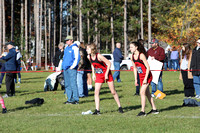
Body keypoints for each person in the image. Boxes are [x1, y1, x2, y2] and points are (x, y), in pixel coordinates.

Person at [86, 43, 123, 115]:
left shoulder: (99, 56)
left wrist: (106, 74)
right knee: (96, 92)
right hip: (99, 75)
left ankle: (120, 107)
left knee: (113, 92)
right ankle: (97, 110)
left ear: (92, 49)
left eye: (88, 49)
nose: (86, 50)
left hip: (107, 74)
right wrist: (94, 74)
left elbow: (109, 63)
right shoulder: (89, 57)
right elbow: (93, 65)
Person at [130, 42, 158, 116]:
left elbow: (148, 67)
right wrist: (136, 79)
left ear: (136, 47)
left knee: (142, 92)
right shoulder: (132, 56)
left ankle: (142, 111)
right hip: (141, 76)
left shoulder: (141, 55)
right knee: (147, 93)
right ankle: (154, 109)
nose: (130, 49)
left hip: (147, 76)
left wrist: (145, 78)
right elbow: (135, 68)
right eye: (130, 47)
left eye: (132, 47)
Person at [62, 36, 80, 104]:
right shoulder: (66, 48)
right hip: (65, 68)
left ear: (72, 40)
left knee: (73, 84)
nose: (66, 41)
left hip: (71, 68)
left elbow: (77, 58)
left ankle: (76, 99)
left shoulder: (74, 47)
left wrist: (72, 66)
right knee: (67, 84)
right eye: (66, 40)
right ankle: (69, 99)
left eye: (68, 40)